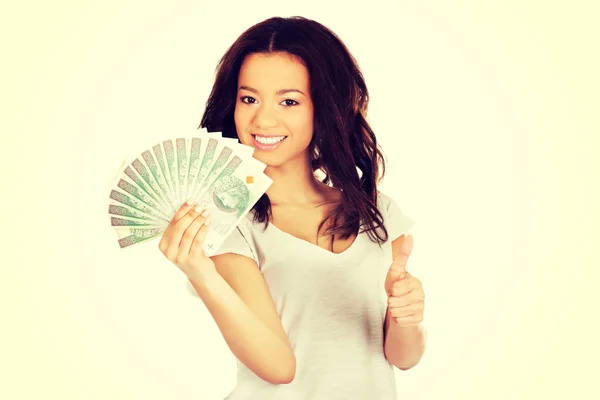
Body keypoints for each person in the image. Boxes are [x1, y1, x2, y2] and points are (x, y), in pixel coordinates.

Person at [158, 16, 427, 400]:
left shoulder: (377, 213)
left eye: (288, 101)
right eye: (248, 98)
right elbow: (278, 367)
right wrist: (202, 274)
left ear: (324, 106)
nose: (263, 119)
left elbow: (403, 357)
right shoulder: (228, 222)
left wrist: (408, 316)